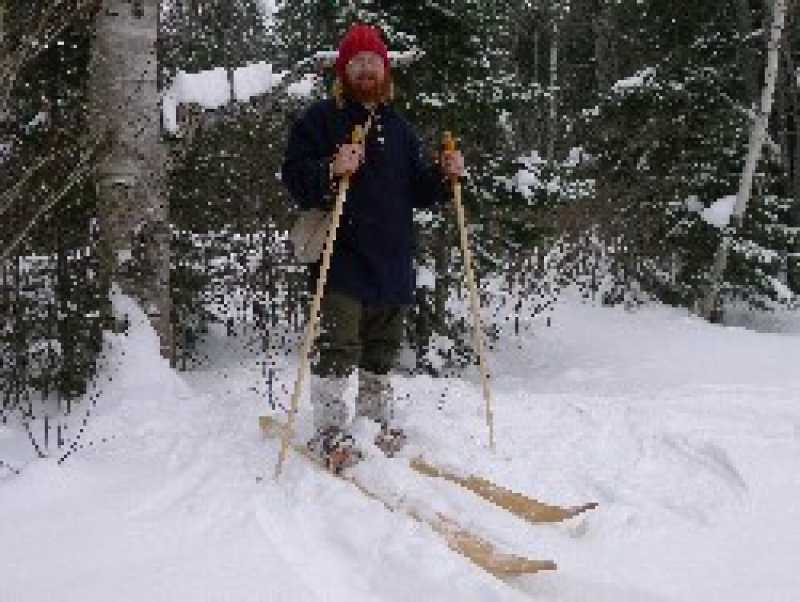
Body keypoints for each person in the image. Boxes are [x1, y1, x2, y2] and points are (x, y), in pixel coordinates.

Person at [281, 23, 465, 472]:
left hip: (392, 257)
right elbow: (294, 177)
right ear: (343, 71)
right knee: (339, 344)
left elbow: (417, 189)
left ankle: (374, 418)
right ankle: (330, 428)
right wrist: (330, 167)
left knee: (382, 346)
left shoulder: (399, 128)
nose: (367, 70)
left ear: (385, 70)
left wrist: (445, 176)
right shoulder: (320, 120)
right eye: (357, 63)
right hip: (341, 256)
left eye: (374, 62)